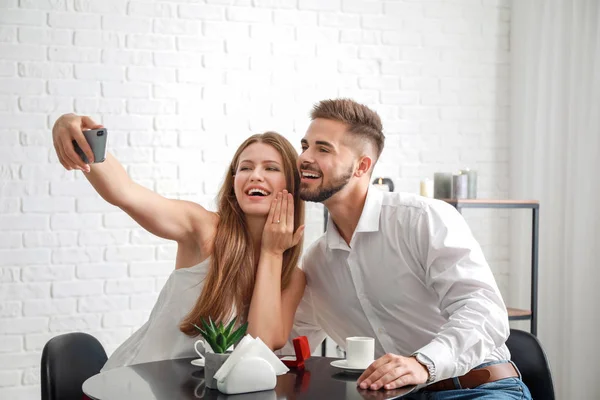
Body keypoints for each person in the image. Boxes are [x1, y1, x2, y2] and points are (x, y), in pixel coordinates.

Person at [289, 98, 533, 399]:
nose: (304, 158)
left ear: (362, 166)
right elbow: (290, 348)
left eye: (322, 148)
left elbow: (484, 311)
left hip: (478, 389)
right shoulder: (317, 262)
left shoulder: (422, 219)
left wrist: (423, 363)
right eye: (305, 146)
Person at [51, 114, 306, 370]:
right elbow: (125, 192)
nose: (255, 176)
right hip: (131, 387)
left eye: (271, 168)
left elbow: (258, 348)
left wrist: (272, 253)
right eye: (246, 167)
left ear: (292, 186)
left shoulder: (292, 278)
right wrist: (75, 131)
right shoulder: (203, 227)